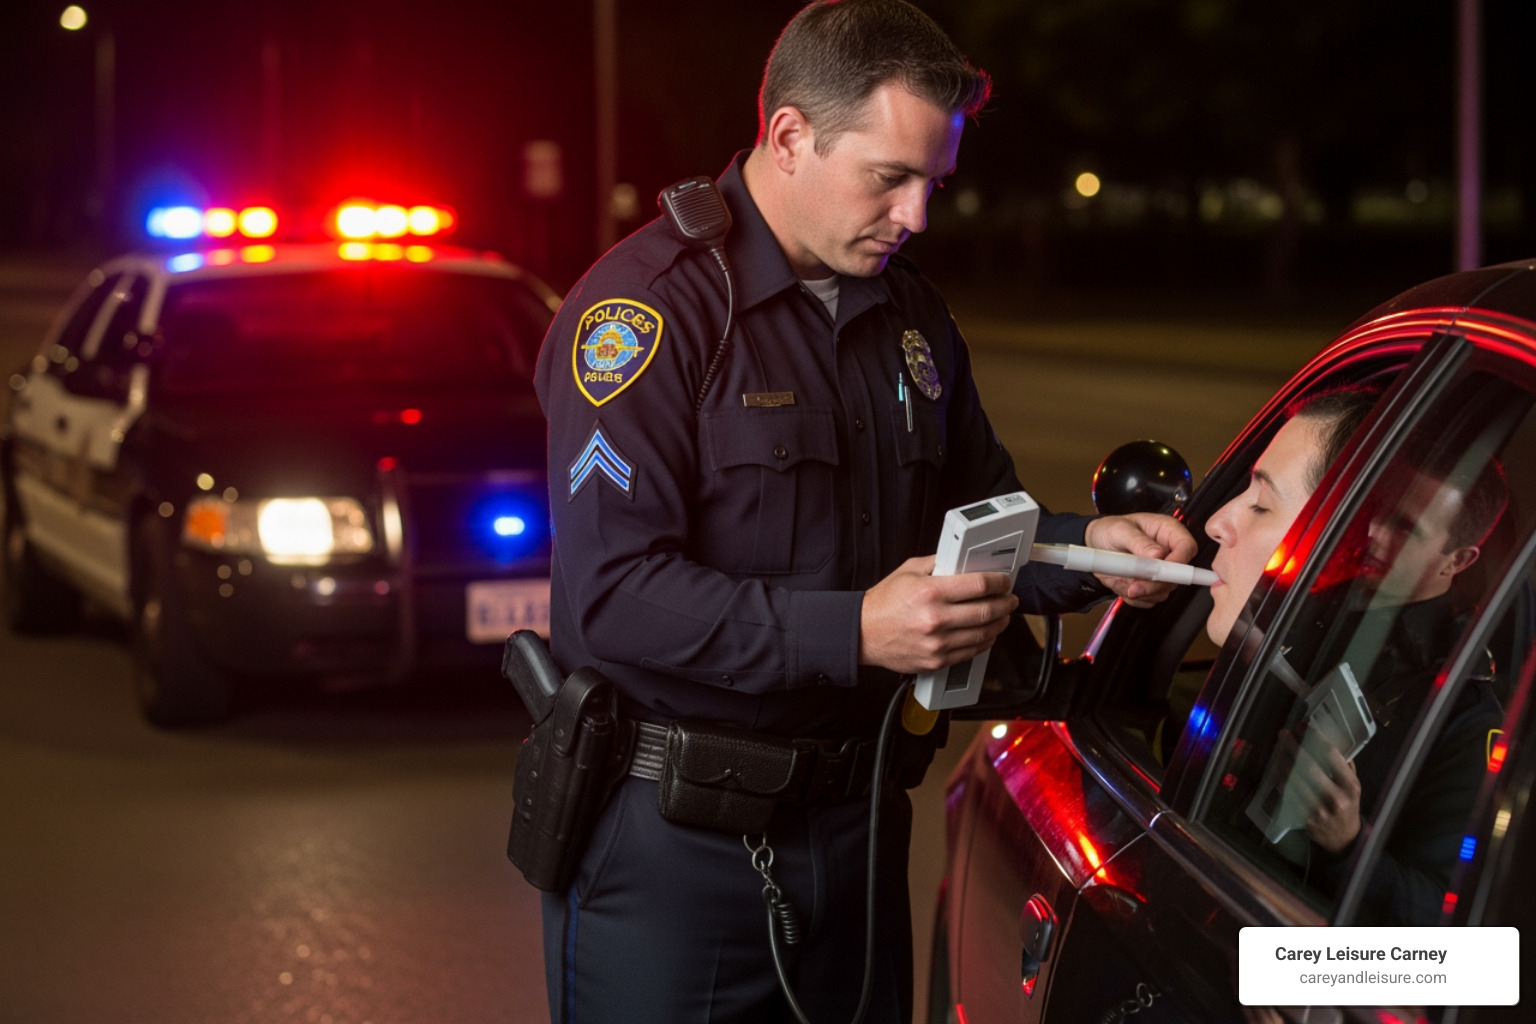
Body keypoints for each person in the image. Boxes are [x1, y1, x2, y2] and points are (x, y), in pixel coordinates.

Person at [531, 2, 1197, 1020]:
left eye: (933, 183)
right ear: (791, 136)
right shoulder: (647, 315)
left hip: (861, 828)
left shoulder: (910, 315)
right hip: (673, 852)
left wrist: (1086, 547)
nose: (917, 215)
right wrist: (852, 629)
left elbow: (980, 518)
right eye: (890, 177)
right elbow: (616, 596)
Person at [1204, 383, 1508, 924]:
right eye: (1378, 511)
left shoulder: (1461, 713)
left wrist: (1348, 842)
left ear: (1456, 560)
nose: (1372, 534)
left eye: (1406, 528)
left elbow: (1451, 933)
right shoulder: (1309, 594)